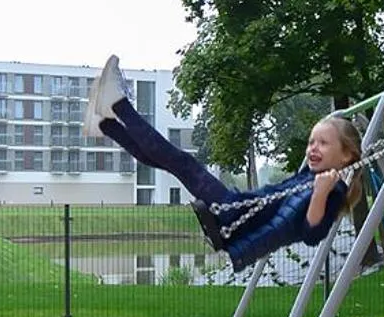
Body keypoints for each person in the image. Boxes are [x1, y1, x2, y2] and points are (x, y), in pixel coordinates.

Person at [83, 55, 364, 270]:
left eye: (323, 143)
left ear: (347, 154)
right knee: (169, 162)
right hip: (239, 209)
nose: (313, 148)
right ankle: (106, 125)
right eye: (311, 142)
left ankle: (118, 104)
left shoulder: (333, 188)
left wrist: (321, 194)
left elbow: (312, 234)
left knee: (180, 161)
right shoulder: (314, 176)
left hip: (235, 216)